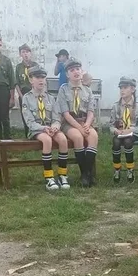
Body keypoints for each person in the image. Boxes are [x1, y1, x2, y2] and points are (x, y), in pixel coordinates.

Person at [21, 66, 70, 192]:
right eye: (37, 77)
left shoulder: (51, 98)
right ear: (31, 80)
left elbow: (56, 117)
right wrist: (44, 128)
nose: (41, 80)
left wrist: (55, 126)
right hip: (36, 130)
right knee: (47, 140)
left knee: (63, 139)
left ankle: (62, 175)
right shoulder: (27, 98)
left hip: (51, 129)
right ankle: (49, 178)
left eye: (43, 77)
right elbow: (29, 122)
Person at [57, 58, 98, 187]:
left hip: (84, 121)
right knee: (78, 137)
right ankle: (85, 174)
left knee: (93, 136)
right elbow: (65, 113)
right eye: (71, 70)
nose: (75, 72)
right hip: (70, 123)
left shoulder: (88, 90)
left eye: (77, 69)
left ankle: (87, 173)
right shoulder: (63, 90)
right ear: (67, 74)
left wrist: (87, 123)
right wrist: (79, 128)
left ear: (81, 71)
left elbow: (91, 110)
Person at [109, 76, 138, 185]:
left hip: (133, 134)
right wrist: (115, 131)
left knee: (128, 141)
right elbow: (111, 125)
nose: (122, 90)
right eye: (120, 88)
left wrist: (131, 130)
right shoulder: (116, 106)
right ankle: (117, 169)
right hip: (120, 134)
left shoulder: (137, 107)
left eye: (125, 88)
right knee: (116, 142)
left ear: (132, 90)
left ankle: (130, 169)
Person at [15, 43, 34, 134]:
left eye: (27, 52)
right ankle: (27, 133)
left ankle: (35, 132)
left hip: (34, 93)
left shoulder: (35, 65)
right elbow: (17, 83)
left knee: (35, 113)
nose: (26, 54)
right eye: (23, 52)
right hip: (23, 93)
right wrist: (21, 96)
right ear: (20, 54)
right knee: (25, 114)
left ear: (30, 53)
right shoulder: (18, 67)